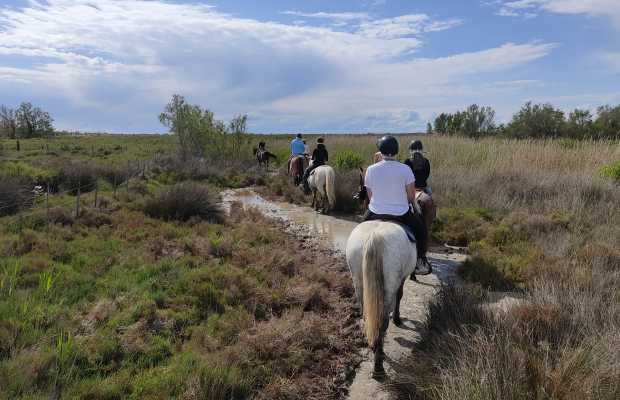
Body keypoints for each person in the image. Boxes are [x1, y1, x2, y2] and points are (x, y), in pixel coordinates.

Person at [361, 135, 430, 273]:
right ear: (397, 151)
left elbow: (370, 196)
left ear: (380, 151)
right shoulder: (405, 169)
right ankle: (419, 263)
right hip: (401, 213)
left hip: (375, 211)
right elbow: (411, 197)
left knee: (358, 232)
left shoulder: (371, 169)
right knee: (421, 230)